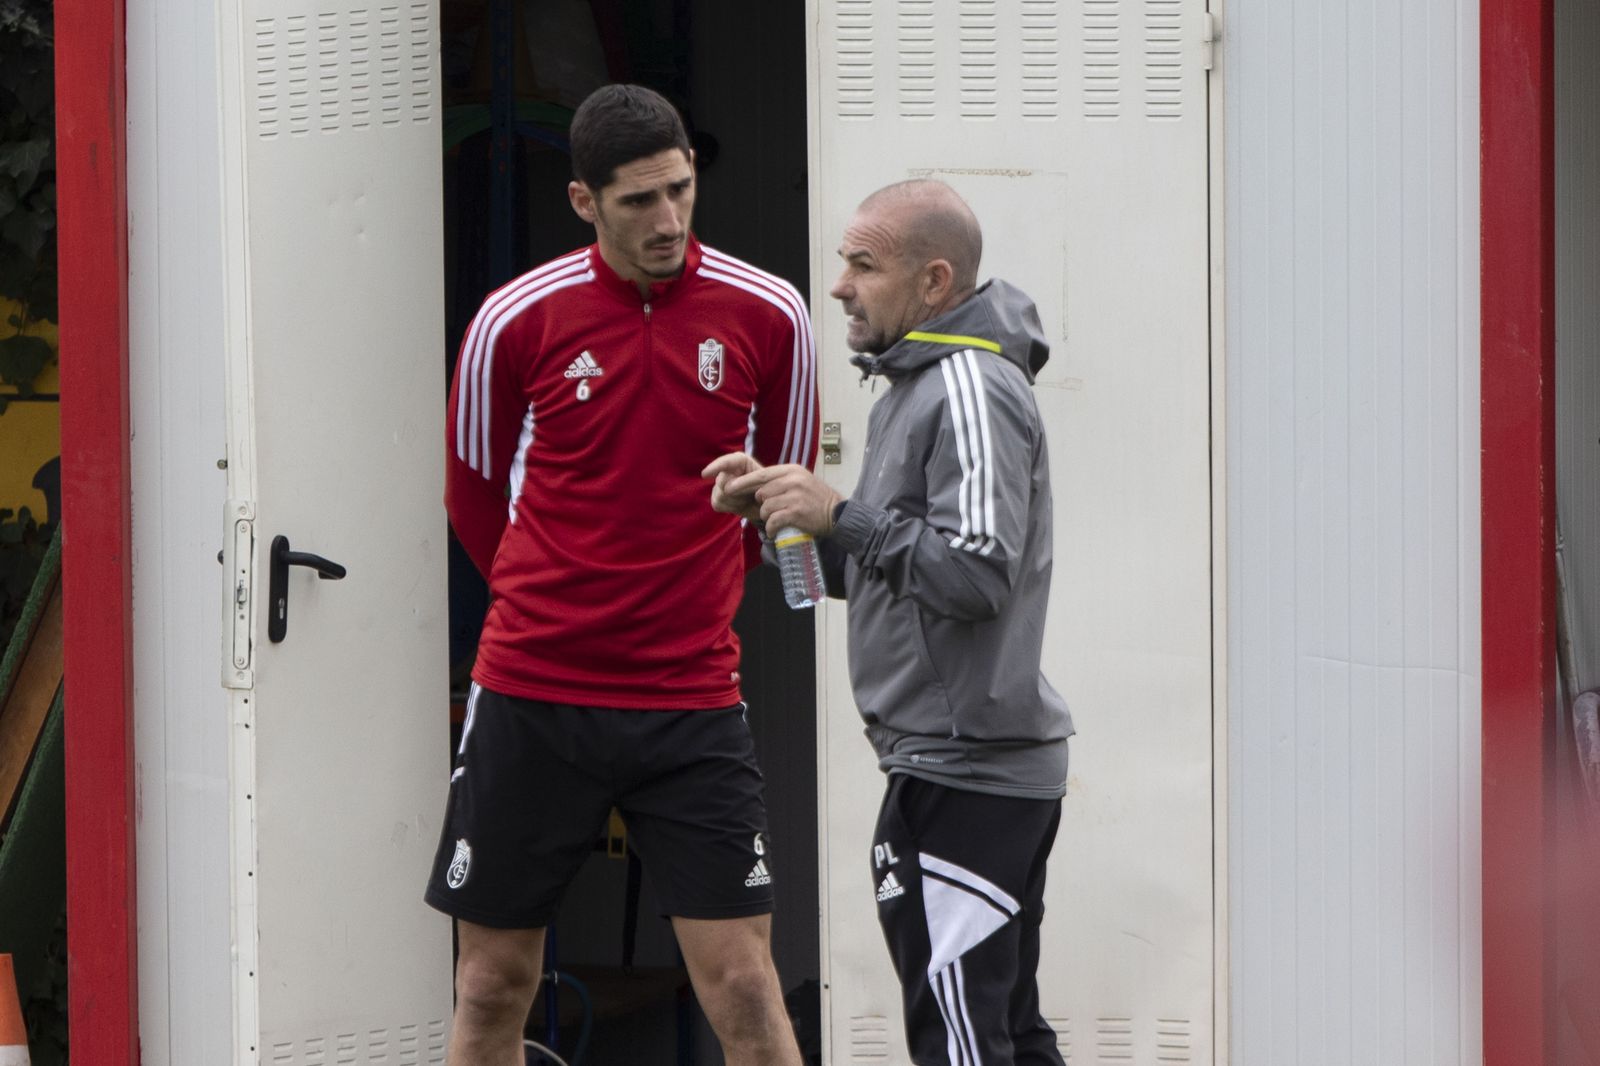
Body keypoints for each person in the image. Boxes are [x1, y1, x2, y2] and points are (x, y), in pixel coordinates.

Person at [427, 83, 816, 1065]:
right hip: (530, 690)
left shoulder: (772, 314)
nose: (668, 220)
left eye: (681, 191)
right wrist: (556, 599)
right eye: (639, 200)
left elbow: (787, 503)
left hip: (687, 697)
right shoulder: (514, 320)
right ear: (582, 202)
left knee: (743, 986)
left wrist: (698, 585)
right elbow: (473, 496)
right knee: (488, 987)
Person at [705, 179, 1073, 1065]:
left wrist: (845, 516)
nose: (839, 284)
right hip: (948, 763)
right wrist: (782, 517)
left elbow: (980, 573)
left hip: (968, 773)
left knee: (960, 1036)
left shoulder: (972, 386)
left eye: (862, 265)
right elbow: (882, 568)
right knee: (1006, 1035)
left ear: (935, 281)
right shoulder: (912, 387)